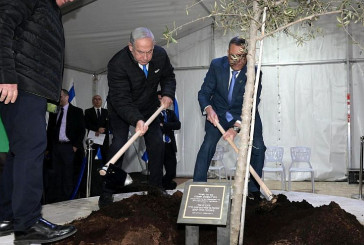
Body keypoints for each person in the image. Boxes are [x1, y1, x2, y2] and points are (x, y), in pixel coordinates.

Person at [0, 0, 77, 243]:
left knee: (19, 151)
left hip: (31, 87)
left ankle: (7, 217)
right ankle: (28, 224)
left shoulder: (52, 9)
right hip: (22, 85)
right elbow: (2, 24)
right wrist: (5, 75)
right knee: (32, 147)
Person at [100, 27, 176, 208]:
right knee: (119, 144)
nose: (146, 57)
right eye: (141, 52)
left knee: (157, 143)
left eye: (149, 51)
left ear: (154, 46)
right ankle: (106, 193)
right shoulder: (117, 64)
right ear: (130, 47)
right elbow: (121, 99)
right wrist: (136, 120)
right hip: (121, 109)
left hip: (149, 107)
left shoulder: (160, 55)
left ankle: (156, 188)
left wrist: (167, 94)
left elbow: (168, 77)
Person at [193, 36, 266, 201]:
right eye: (233, 56)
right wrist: (208, 108)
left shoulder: (254, 72)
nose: (237, 60)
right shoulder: (217, 65)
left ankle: (253, 192)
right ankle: (197, 187)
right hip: (217, 113)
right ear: (227, 53)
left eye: (242, 56)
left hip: (245, 113)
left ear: (247, 55)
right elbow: (204, 92)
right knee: (207, 146)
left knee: (258, 147)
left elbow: (252, 104)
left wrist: (236, 127)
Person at [46, 89, 85, 203]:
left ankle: (68, 198)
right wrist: (48, 148)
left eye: (61, 96)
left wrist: (75, 146)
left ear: (67, 97)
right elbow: (50, 131)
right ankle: (56, 198)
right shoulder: (54, 111)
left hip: (69, 147)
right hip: (56, 147)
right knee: (56, 173)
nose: (59, 99)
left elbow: (81, 130)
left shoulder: (77, 111)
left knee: (68, 174)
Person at [157, 91, 181, 190]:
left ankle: (165, 184)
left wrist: (164, 125)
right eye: (159, 99)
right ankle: (161, 186)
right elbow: (157, 127)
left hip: (169, 145)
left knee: (171, 171)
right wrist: (167, 126)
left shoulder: (170, 113)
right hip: (158, 145)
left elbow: (178, 125)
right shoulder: (154, 114)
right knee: (157, 170)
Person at [84, 95, 109, 165]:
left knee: (105, 157)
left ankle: (105, 173)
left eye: (99, 99)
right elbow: (86, 124)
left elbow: (109, 124)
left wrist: (103, 129)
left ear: (101, 101)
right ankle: (88, 173)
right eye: (95, 99)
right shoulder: (88, 111)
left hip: (104, 138)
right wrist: (97, 129)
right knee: (90, 156)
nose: (97, 101)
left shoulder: (106, 112)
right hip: (93, 138)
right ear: (92, 101)